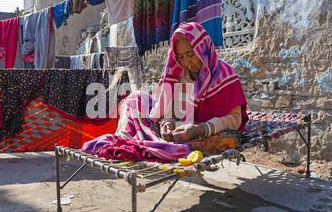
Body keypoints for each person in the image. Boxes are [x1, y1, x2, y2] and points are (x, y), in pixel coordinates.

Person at [82, 22, 248, 162]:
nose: (186, 62)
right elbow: (167, 110)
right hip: (180, 132)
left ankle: (148, 144)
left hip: (203, 132)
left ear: (203, 49)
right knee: (135, 99)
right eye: (180, 57)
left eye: (190, 54)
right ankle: (124, 141)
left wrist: (199, 129)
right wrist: (166, 123)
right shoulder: (178, 74)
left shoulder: (225, 74)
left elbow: (235, 119)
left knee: (214, 141)